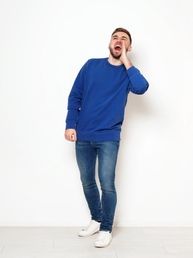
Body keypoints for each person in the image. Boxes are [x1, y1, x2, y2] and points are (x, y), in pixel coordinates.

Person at [64, 27, 149, 248]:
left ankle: (106, 228)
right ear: (109, 43)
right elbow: (75, 96)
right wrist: (70, 125)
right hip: (83, 135)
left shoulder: (129, 74)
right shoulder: (91, 65)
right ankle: (96, 218)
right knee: (87, 181)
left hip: (108, 137)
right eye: (115, 38)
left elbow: (142, 88)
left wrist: (127, 61)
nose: (118, 41)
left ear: (128, 47)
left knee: (107, 183)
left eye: (124, 40)